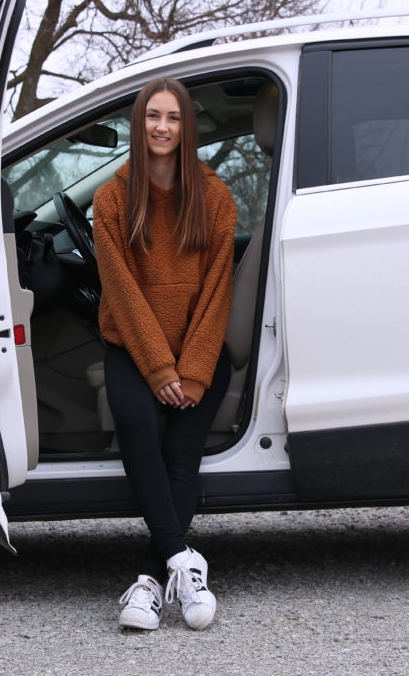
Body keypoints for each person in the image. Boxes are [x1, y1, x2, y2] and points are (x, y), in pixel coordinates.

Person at [92, 77, 236, 631]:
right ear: (139, 122)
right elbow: (122, 292)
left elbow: (218, 289)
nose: (162, 127)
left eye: (173, 118)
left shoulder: (214, 196)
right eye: (153, 116)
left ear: (186, 126)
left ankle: (151, 580)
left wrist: (193, 373)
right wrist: (157, 367)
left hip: (198, 350)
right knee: (133, 420)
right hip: (133, 346)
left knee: (181, 449)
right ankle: (184, 561)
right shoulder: (112, 198)